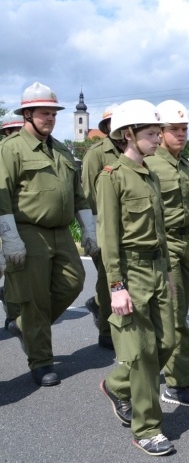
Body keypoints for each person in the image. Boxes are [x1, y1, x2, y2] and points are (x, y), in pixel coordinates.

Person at [0, 82, 98, 387]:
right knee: (35, 298)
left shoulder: (61, 149)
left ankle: (25, 326)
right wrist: (10, 237)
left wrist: (89, 227)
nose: (50, 118)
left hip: (61, 231)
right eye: (44, 113)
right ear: (27, 114)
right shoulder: (11, 148)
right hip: (29, 230)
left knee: (74, 281)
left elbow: (77, 193)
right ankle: (41, 361)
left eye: (53, 113)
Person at [96, 99, 177, 456]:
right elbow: (108, 237)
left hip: (158, 269)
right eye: (150, 133)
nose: (158, 138)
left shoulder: (151, 175)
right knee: (143, 355)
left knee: (167, 343)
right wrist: (116, 285)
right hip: (131, 271)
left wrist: (168, 274)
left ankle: (117, 385)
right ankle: (148, 428)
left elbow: (158, 229)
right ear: (129, 134)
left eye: (158, 132)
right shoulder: (111, 177)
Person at [145, 100, 189, 405]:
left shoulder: (186, 165)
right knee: (174, 318)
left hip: (184, 246)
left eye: (184, 129)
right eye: (174, 129)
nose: (181, 134)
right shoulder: (149, 164)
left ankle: (143, 368)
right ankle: (179, 384)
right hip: (162, 247)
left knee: (177, 314)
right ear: (159, 132)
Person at [82, 103, 124, 350]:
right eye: (114, 122)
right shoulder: (95, 154)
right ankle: (107, 331)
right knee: (108, 276)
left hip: (129, 228)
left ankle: (100, 304)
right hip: (103, 225)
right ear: (107, 126)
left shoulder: (134, 150)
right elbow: (88, 193)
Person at [0, 116, 25, 329]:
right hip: (5, 217)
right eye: (13, 130)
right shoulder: (3, 152)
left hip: (21, 220)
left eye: (20, 129)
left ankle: (14, 313)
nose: (18, 133)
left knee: (13, 269)